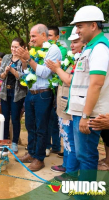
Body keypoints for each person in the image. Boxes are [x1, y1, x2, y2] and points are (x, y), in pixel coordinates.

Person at [66, 5, 109, 183]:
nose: (76, 30)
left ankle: (85, 195)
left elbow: (96, 84)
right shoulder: (90, 47)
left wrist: (85, 115)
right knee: (83, 155)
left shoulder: (99, 48)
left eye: (80, 26)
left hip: (89, 114)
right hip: (82, 112)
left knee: (86, 157)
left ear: (93, 25)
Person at [15, 24, 62, 171]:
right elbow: (27, 72)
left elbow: (44, 73)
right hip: (31, 93)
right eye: (30, 36)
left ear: (44, 35)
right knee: (30, 125)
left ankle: (39, 158)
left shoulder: (53, 50)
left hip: (43, 94)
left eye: (34, 36)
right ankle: (31, 153)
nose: (31, 39)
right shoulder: (34, 50)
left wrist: (28, 59)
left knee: (41, 127)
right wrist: (24, 61)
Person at [46, 26, 84, 181]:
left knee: (71, 140)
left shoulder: (82, 60)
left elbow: (69, 79)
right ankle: (67, 165)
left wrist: (57, 69)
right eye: (71, 42)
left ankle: (71, 172)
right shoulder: (72, 58)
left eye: (76, 41)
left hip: (71, 107)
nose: (72, 45)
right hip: (63, 105)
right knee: (66, 138)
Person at [0, 38, 28, 153]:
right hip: (5, 93)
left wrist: (13, 71)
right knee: (4, 118)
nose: (13, 49)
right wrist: (5, 72)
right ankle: (5, 141)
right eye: (12, 46)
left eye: (16, 47)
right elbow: (0, 76)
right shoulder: (6, 57)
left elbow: (24, 77)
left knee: (15, 118)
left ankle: (14, 142)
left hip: (18, 94)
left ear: (21, 47)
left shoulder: (24, 59)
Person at [45, 26, 67, 157]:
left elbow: (52, 66)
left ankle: (55, 146)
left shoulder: (61, 50)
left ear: (57, 37)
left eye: (51, 36)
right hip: (47, 88)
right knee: (48, 118)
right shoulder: (42, 49)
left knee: (54, 117)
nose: (48, 38)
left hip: (57, 88)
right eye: (46, 35)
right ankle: (49, 146)